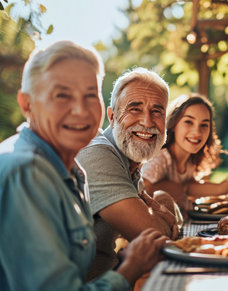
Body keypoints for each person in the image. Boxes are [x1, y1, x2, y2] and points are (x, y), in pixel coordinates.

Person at [0, 41, 167, 290]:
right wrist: (131, 267)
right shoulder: (28, 171)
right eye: (62, 95)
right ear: (27, 104)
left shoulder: (71, 169)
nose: (80, 110)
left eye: (90, 94)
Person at [76, 67, 179, 281]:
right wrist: (163, 216)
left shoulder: (130, 161)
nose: (148, 122)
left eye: (157, 111)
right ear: (112, 117)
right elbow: (155, 237)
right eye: (135, 109)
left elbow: (155, 217)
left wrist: (160, 204)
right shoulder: (98, 154)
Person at [141, 93, 228, 215]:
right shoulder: (160, 159)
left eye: (204, 125)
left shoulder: (189, 162)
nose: (197, 131)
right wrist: (176, 188)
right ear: (173, 125)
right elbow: (140, 191)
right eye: (189, 122)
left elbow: (191, 188)